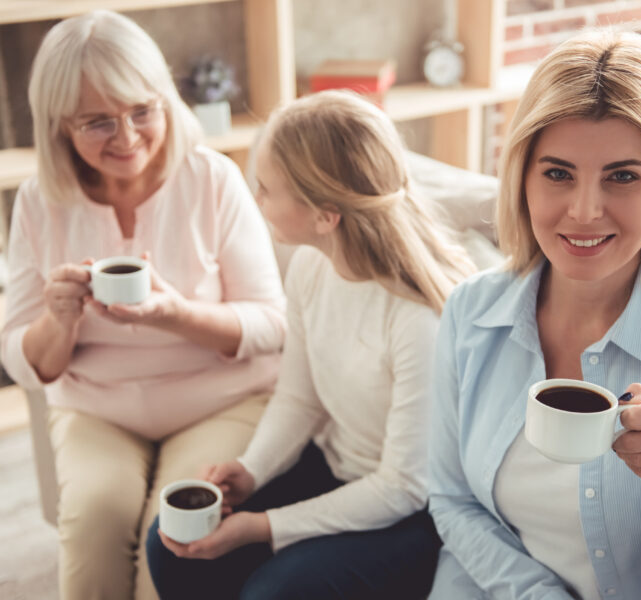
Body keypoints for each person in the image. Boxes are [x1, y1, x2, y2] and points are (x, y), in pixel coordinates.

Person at [427, 28, 641, 600]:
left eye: (622, 176)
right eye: (558, 173)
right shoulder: (470, 312)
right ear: (523, 179)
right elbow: (452, 500)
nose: (585, 211)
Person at [145, 89, 477, 599]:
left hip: (420, 513)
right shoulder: (311, 266)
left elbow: (404, 487)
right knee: (172, 545)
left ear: (325, 215)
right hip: (340, 469)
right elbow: (299, 397)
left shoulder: (419, 320)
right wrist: (251, 473)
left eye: (267, 190)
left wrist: (262, 526)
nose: (259, 203)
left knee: (273, 592)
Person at [0, 10, 286, 600]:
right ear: (59, 126)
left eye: (141, 112)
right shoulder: (38, 202)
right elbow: (27, 364)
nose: (127, 139)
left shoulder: (212, 180)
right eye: (97, 122)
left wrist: (173, 313)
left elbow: (272, 325)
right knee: (94, 522)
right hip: (98, 411)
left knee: (171, 535)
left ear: (164, 101)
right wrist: (59, 317)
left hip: (220, 400)